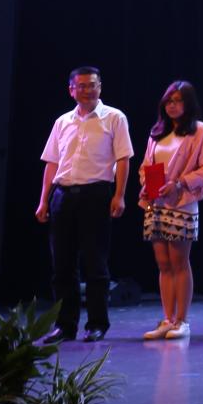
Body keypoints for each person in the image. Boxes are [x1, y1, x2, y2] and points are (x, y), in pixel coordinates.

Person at [36, 66, 133, 342]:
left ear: (100, 87)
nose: (87, 90)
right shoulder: (62, 122)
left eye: (92, 85)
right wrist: (44, 200)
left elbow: (123, 159)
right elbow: (52, 162)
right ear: (71, 90)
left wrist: (119, 195)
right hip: (63, 196)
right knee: (62, 265)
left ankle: (97, 323)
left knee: (95, 263)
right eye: (81, 86)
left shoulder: (114, 118)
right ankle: (64, 325)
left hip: (96, 194)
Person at [139, 80, 203, 340]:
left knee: (179, 262)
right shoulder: (157, 133)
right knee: (163, 264)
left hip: (182, 203)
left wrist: (180, 183)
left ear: (188, 103)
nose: (172, 106)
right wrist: (146, 184)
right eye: (169, 101)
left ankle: (182, 321)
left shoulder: (200, 131)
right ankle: (167, 318)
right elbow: (145, 166)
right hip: (156, 204)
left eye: (178, 101)